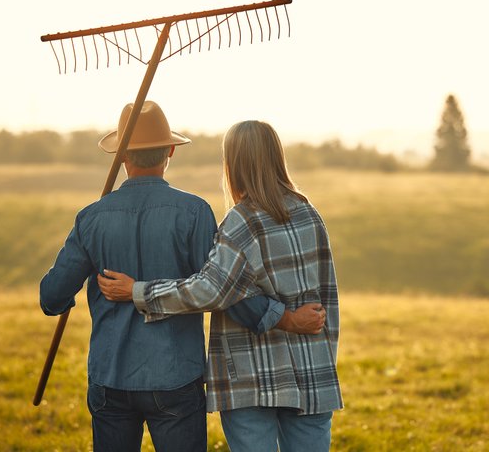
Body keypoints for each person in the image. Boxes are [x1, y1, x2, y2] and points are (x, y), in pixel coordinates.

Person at [40, 103, 325, 452]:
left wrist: (70, 289)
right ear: (170, 151)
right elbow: (228, 293)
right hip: (176, 380)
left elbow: (51, 298)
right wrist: (282, 317)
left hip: (110, 377)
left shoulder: (91, 218)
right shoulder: (195, 213)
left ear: (122, 154)